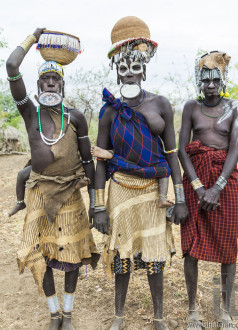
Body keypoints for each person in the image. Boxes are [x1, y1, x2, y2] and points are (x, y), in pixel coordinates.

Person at [93, 16, 188, 330]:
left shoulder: (160, 104)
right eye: (123, 68)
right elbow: (101, 160)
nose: (129, 73)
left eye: (136, 67)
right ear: (116, 70)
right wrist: (97, 207)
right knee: (122, 257)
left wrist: (181, 196)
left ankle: (158, 317)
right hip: (120, 188)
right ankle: (119, 317)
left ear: (144, 70)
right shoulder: (109, 109)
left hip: (153, 192)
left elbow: (172, 154)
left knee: (155, 257)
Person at [6, 28, 100, 330]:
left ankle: (69, 314)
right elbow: (11, 66)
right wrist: (32, 38)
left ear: (62, 83)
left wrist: (96, 203)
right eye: (45, 78)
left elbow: (88, 160)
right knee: (40, 254)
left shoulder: (75, 117)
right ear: (37, 84)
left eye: (55, 79)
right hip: (37, 193)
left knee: (73, 255)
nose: (50, 82)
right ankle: (54, 313)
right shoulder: (30, 114)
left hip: (71, 193)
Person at [178, 51, 238, 329]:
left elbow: (236, 147)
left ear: (223, 79)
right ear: (199, 82)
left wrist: (217, 186)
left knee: (228, 248)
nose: (211, 85)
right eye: (205, 80)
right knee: (190, 247)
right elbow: (181, 148)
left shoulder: (235, 107)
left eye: (215, 79)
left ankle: (225, 311)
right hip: (195, 181)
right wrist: (197, 186)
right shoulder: (191, 107)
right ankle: (193, 310)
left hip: (225, 183)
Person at [90, 146, 173, 208]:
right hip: (127, 160)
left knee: (165, 169)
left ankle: (112, 156)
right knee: (164, 169)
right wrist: (99, 207)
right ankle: (163, 198)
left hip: (150, 158)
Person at [9, 164, 90, 217]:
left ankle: (75, 183)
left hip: (64, 163)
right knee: (21, 174)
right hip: (43, 163)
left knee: (68, 173)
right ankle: (20, 202)